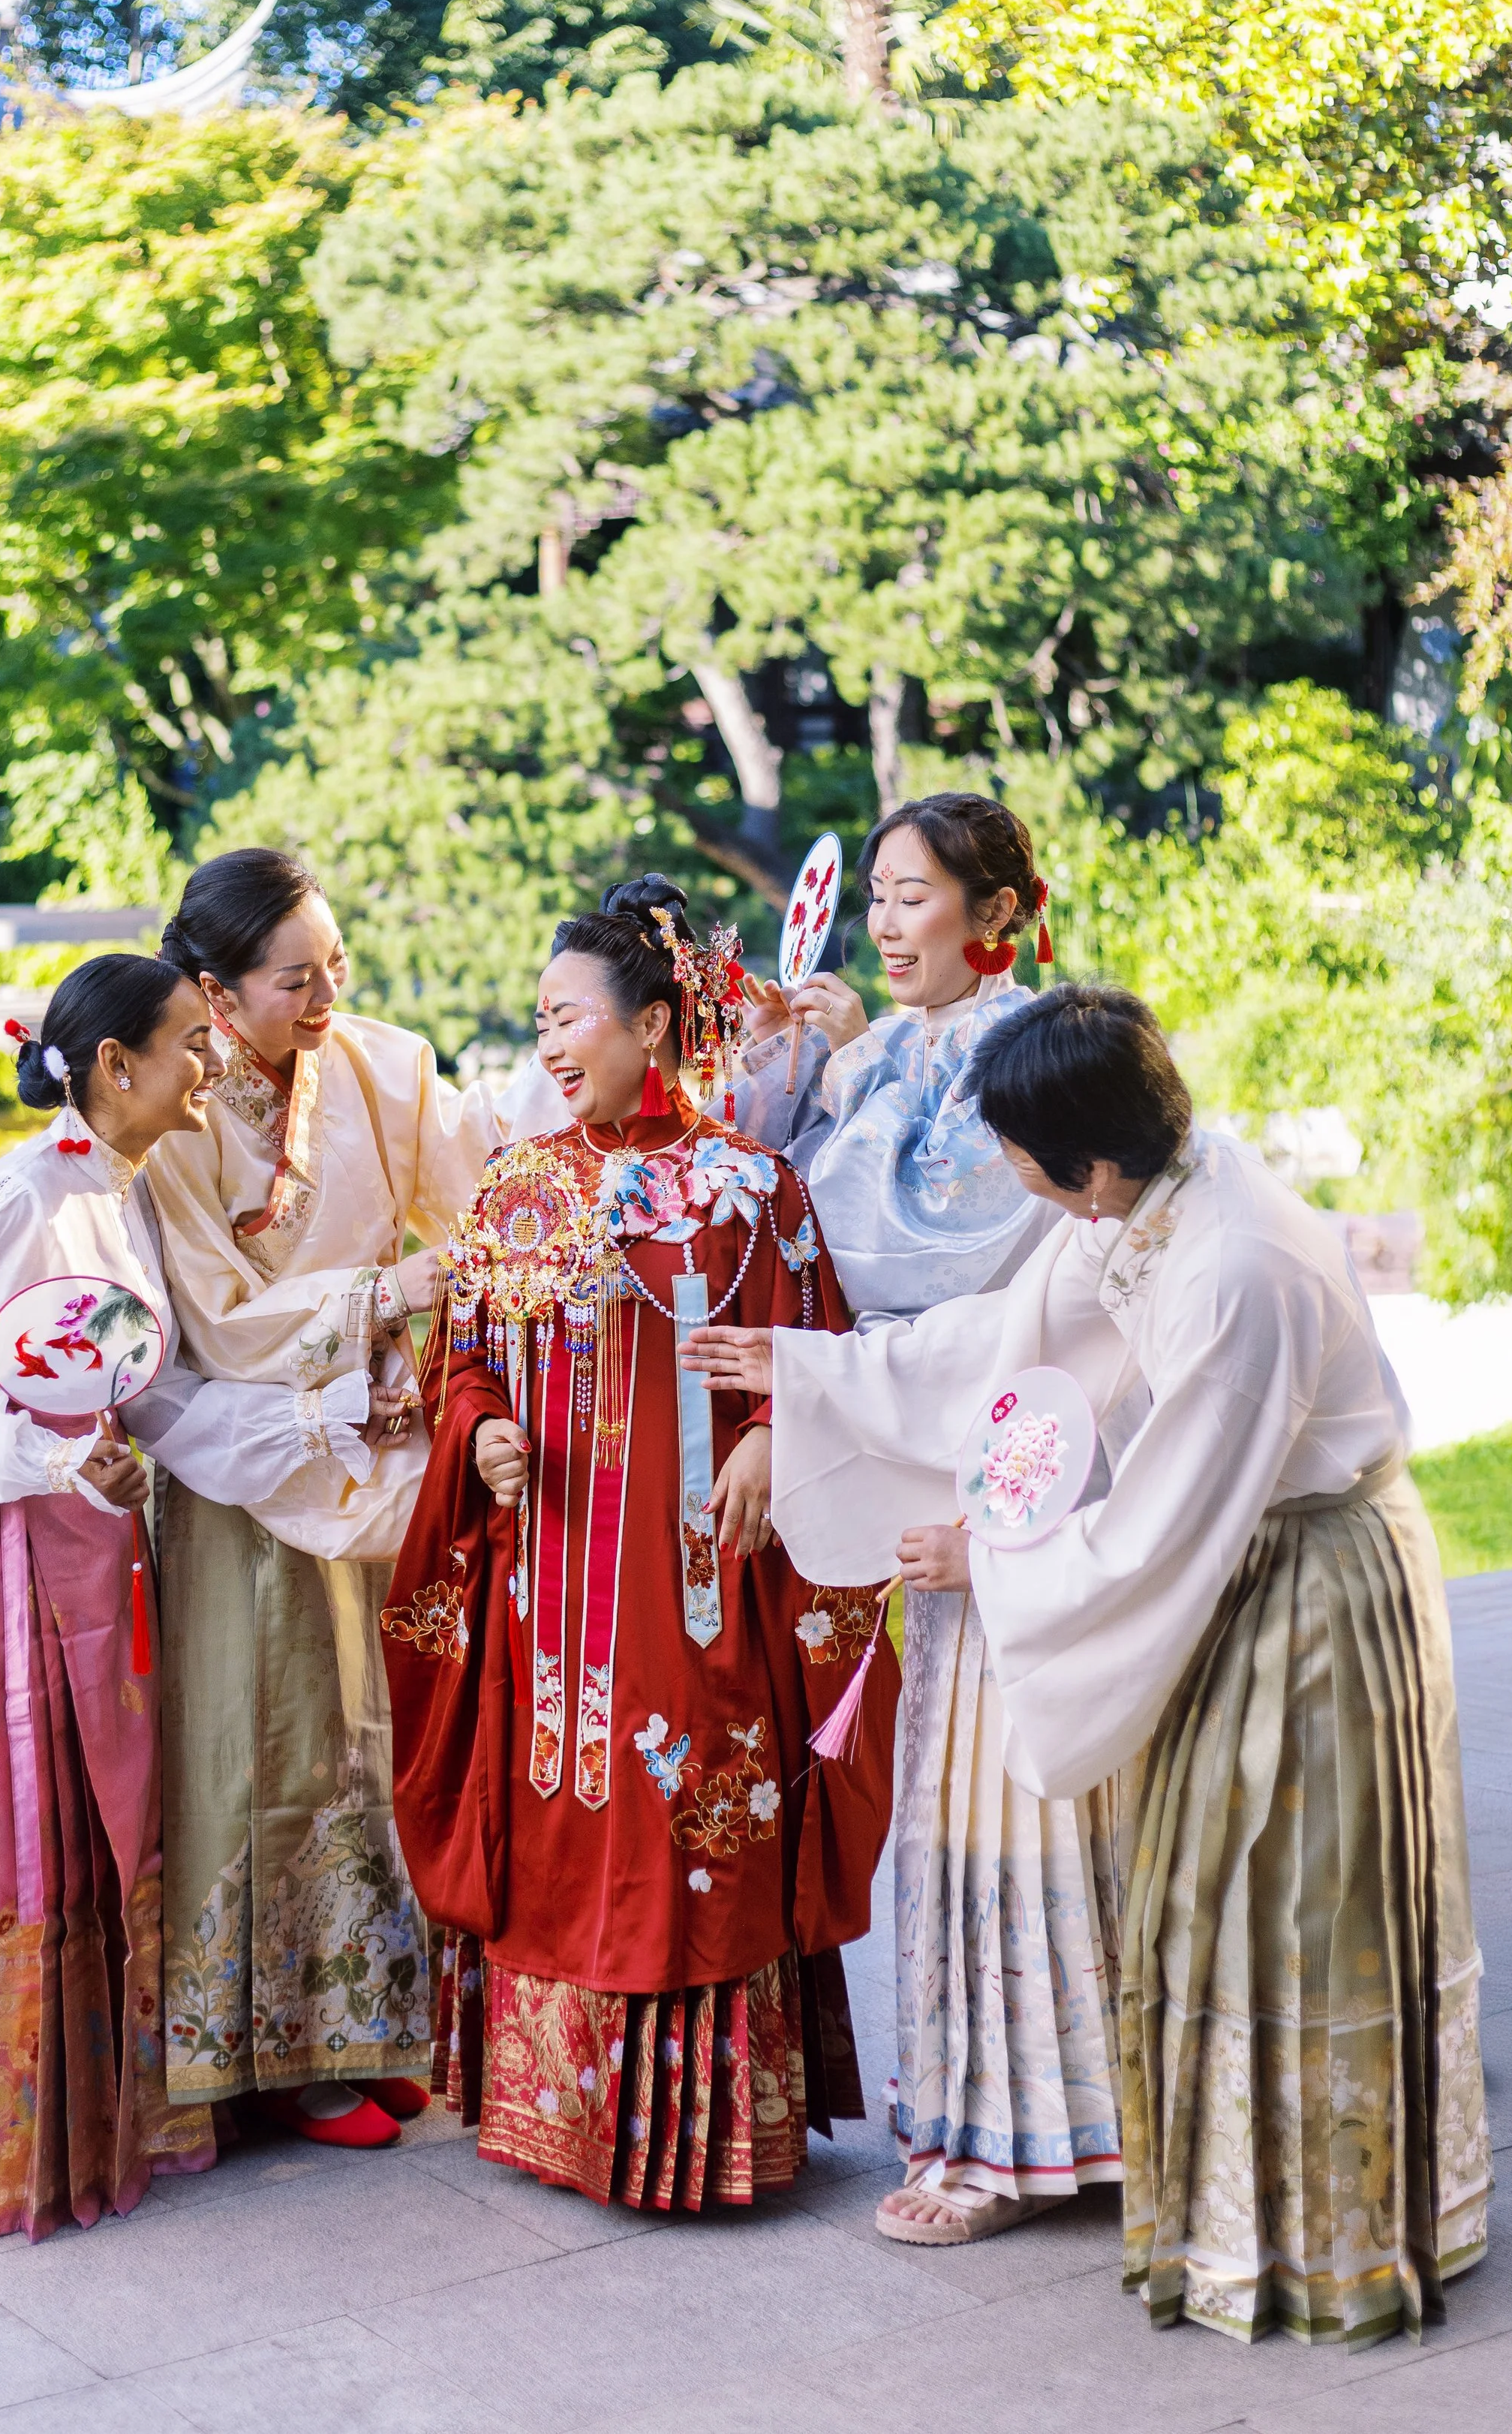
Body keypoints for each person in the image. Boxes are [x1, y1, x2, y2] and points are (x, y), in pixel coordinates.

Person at [689, 985, 1490, 2344]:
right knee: (1203, 1888)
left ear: (1096, 1161)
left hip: (1306, 1588)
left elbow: (1166, 1519)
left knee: (1285, 1900)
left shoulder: (1236, 1265)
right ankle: (1235, 2215)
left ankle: (1319, 2236)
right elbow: (1012, 1348)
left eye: (1020, 1158)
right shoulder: (1161, 1191)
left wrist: (984, 1559)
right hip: (1242, 1560)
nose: (1009, 1178)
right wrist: (815, 1368)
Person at [381, 874, 898, 2210]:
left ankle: (697, 2134)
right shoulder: (513, 1193)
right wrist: (483, 1431)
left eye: (573, 1018)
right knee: (553, 1806)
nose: (551, 1045)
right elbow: (471, 1367)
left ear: (658, 1025)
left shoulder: (752, 1187)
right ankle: (548, 2111)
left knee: (691, 1810)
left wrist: (775, 1435)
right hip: (548, 1586)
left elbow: (820, 1354)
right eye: (540, 1019)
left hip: (691, 1575)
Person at [0, 955, 368, 2241]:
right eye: (193, 1044)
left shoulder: (118, 1195)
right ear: (115, 1067)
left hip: (88, 1541)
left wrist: (345, 1420)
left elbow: (152, 1396)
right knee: (32, 1830)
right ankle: (8, 2142)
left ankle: (95, 2117)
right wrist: (47, 1456)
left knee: (103, 1820)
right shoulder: (14, 1199)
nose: (212, 1067)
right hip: (1, 1557)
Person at [729, 793, 1120, 2249]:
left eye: (914, 896)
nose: (887, 924)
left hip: (1030, 1433)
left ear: (995, 913)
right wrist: (796, 1055)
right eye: (875, 896)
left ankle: (1038, 2123)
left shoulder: (1045, 1047)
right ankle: (991, 2111)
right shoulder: (883, 1050)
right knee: (954, 1786)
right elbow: (777, 1204)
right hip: (917, 1424)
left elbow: (960, 1257)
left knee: (1027, 1780)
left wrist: (807, 1378)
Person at [145, 848, 567, 2148]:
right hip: (242, 1453)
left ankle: (379, 2018)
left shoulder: (389, 1062)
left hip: (380, 1440)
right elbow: (209, 1318)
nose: (327, 993)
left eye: (336, 963)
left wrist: (417, 1361)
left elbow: (483, 1207)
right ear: (214, 992)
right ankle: (276, 2058)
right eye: (294, 978)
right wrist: (379, 1309)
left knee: (377, 1730)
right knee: (256, 1736)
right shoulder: (174, 1107)